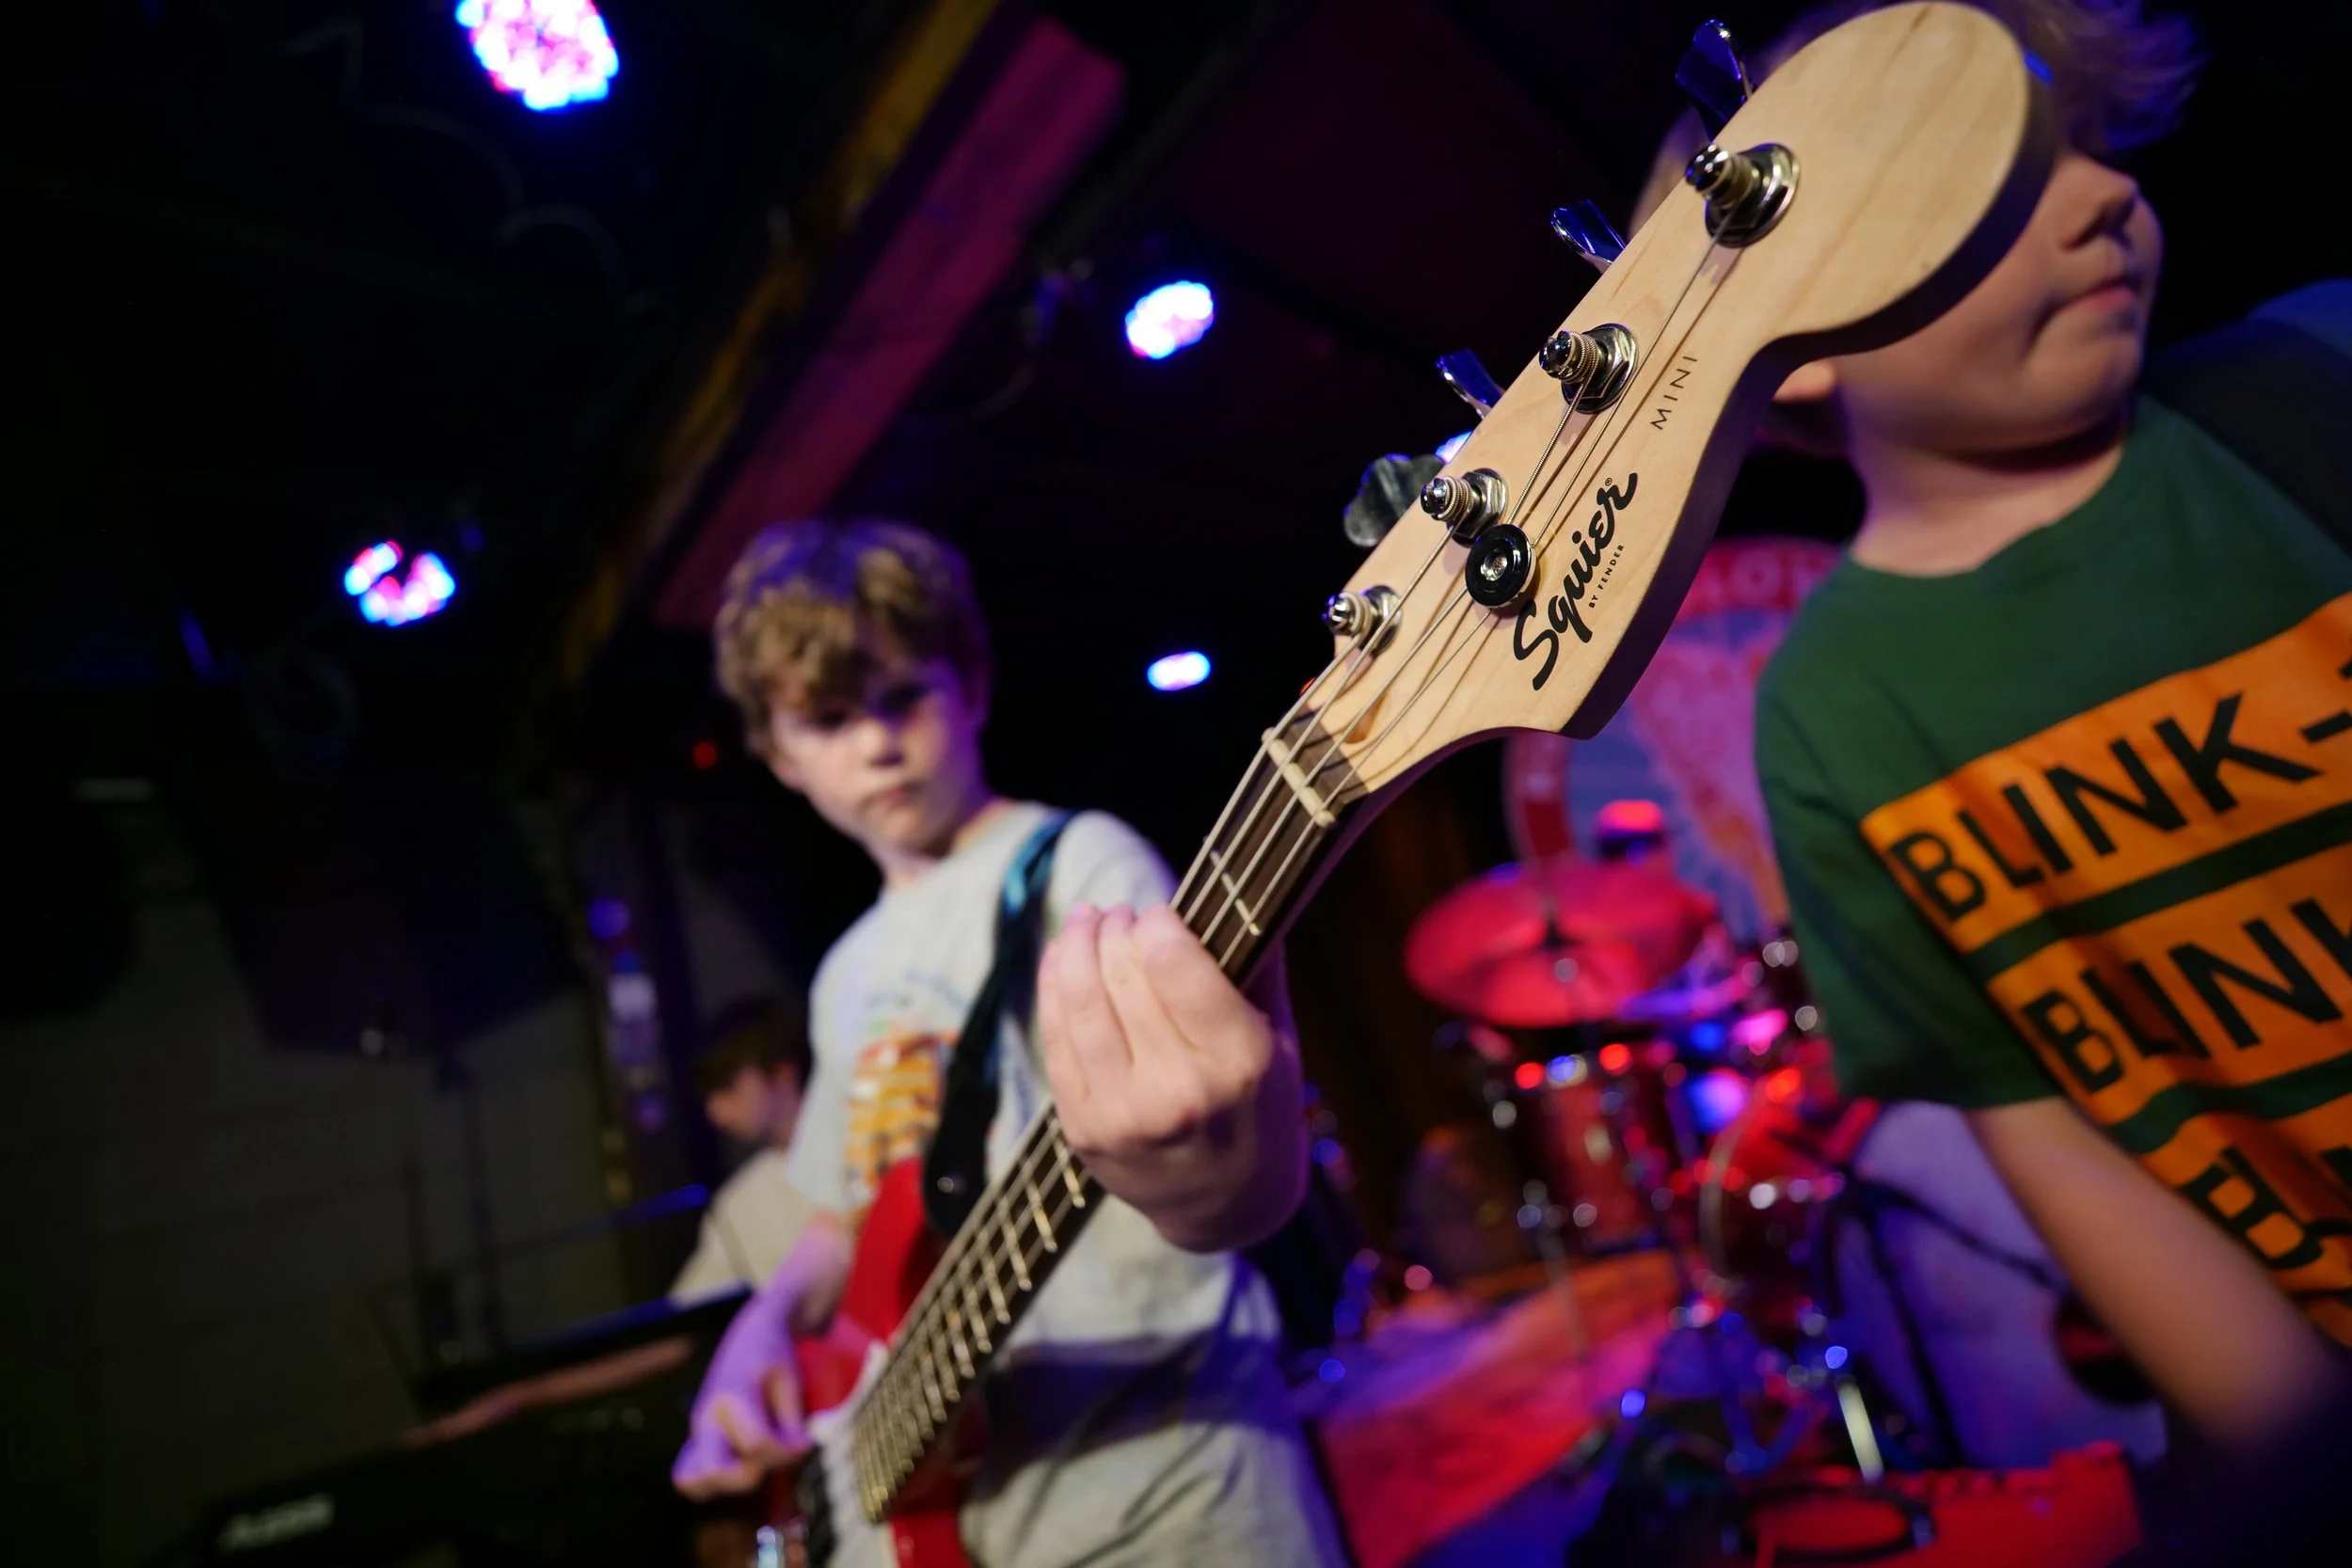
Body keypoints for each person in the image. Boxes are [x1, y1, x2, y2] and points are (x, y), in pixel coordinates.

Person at [1647, 0, 2352, 1455]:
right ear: (1793, 344)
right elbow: (2051, 1130)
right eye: (1990, 188)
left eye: (2082, 148)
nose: (2106, 194)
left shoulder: (2313, 381)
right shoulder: (1833, 709)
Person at [672, 518, 1345, 1565]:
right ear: (777, 755)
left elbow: (1238, 1187)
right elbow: (849, 1212)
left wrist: (1219, 1177)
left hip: (1176, 1490)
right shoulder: (843, 972)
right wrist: (759, 1329)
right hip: (963, 1525)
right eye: (830, 718)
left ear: (972, 685)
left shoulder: (1078, 861)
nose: (875, 743)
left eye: (902, 697)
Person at [671, 996, 821, 1303]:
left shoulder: (869, 1135)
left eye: (727, 1088)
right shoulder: (736, 1206)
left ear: (782, 1071)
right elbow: (687, 1310)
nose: (715, 1111)